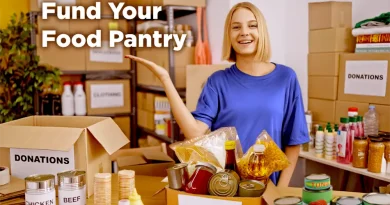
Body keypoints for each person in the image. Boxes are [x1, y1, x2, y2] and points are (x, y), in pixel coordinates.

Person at [125, 2, 309, 187]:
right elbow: (194, 132)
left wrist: (279, 192)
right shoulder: (217, 81)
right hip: (225, 186)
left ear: (262, 31)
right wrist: (165, 79)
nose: (244, 32)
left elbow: (293, 142)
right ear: (229, 35)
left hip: (268, 188)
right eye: (236, 27)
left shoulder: (286, 78)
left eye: (252, 25)